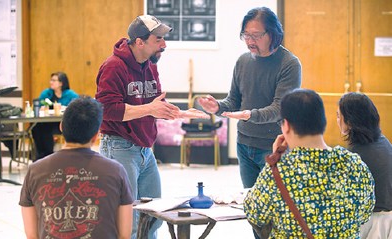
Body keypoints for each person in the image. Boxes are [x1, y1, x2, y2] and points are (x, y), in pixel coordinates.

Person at [95, 15, 209, 239]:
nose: (164, 44)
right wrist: (149, 109)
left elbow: (155, 103)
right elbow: (106, 110)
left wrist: (179, 112)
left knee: (154, 213)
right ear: (140, 42)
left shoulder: (150, 65)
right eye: (158, 39)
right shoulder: (113, 67)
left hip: (145, 149)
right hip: (119, 147)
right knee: (129, 218)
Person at [244, 89, 375, 238]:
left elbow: (254, 213)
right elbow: (365, 214)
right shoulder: (356, 166)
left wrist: (275, 160)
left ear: (285, 126)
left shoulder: (277, 173)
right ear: (323, 122)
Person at [198, 7, 302, 190]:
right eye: (246, 35)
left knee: (275, 205)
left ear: (273, 34)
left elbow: (279, 108)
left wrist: (249, 115)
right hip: (244, 144)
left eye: (256, 36)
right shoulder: (243, 61)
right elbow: (234, 101)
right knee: (251, 202)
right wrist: (218, 107)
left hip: (273, 146)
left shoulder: (289, 64)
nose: (249, 41)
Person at [19, 96, 134, 239]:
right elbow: (125, 235)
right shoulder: (116, 171)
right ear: (96, 135)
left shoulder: (34, 170)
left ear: (61, 126)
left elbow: (31, 235)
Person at [337, 92, 392, 238]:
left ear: (349, 121)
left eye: (338, 116)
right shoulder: (383, 141)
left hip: (373, 224)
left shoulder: (355, 154)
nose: (337, 120)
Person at [32, 71, 79, 161]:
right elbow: (39, 105)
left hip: (62, 123)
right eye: (51, 80)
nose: (51, 82)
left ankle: (48, 155)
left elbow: (76, 107)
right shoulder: (46, 93)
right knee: (36, 128)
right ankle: (41, 156)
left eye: (54, 80)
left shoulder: (70, 94)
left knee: (46, 130)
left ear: (61, 83)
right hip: (46, 122)